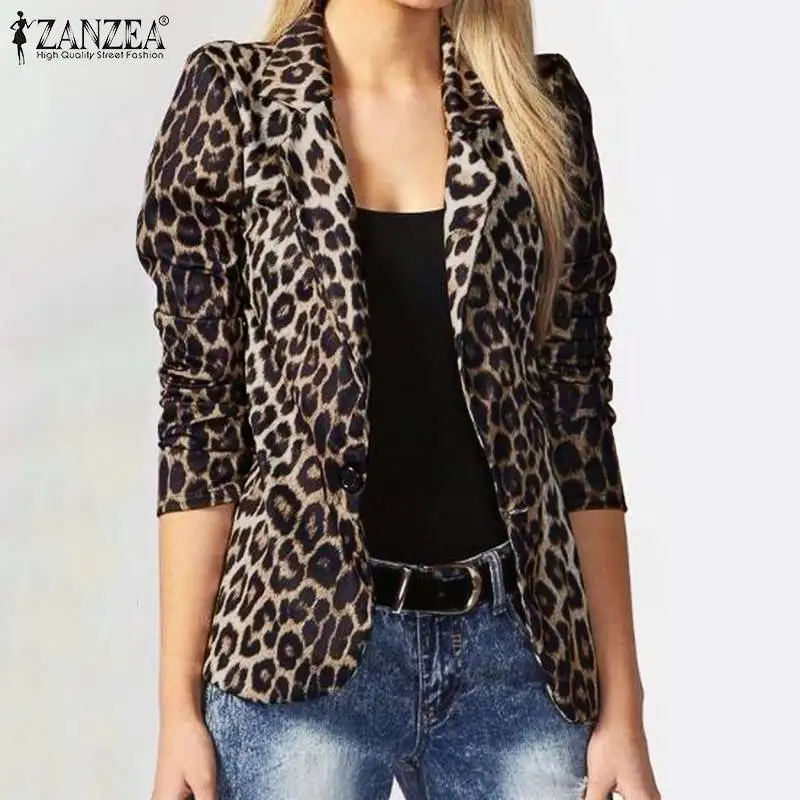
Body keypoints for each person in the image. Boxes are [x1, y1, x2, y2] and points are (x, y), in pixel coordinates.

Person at [136, 0, 661, 798]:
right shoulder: (235, 100)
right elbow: (201, 418)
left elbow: (578, 416)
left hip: (518, 664)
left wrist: (624, 708)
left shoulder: (539, 108)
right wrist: (178, 710)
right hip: (295, 661)